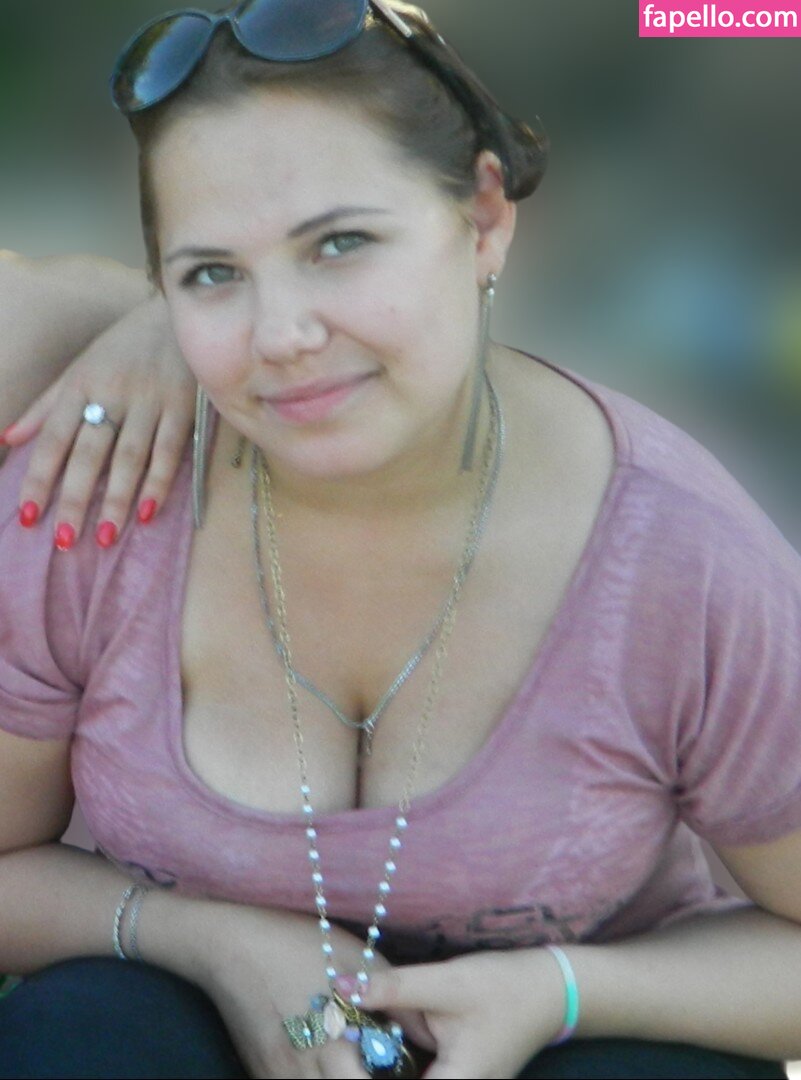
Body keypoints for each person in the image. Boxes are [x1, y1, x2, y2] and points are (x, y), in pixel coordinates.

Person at [1, 2, 801, 1078]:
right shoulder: (101, 484)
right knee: (84, 1033)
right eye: (212, 274)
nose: (282, 337)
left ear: (484, 217)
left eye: (341, 245)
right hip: (182, 1028)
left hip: (576, 1038)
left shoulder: (680, 561)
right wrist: (210, 941)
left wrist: (560, 991)